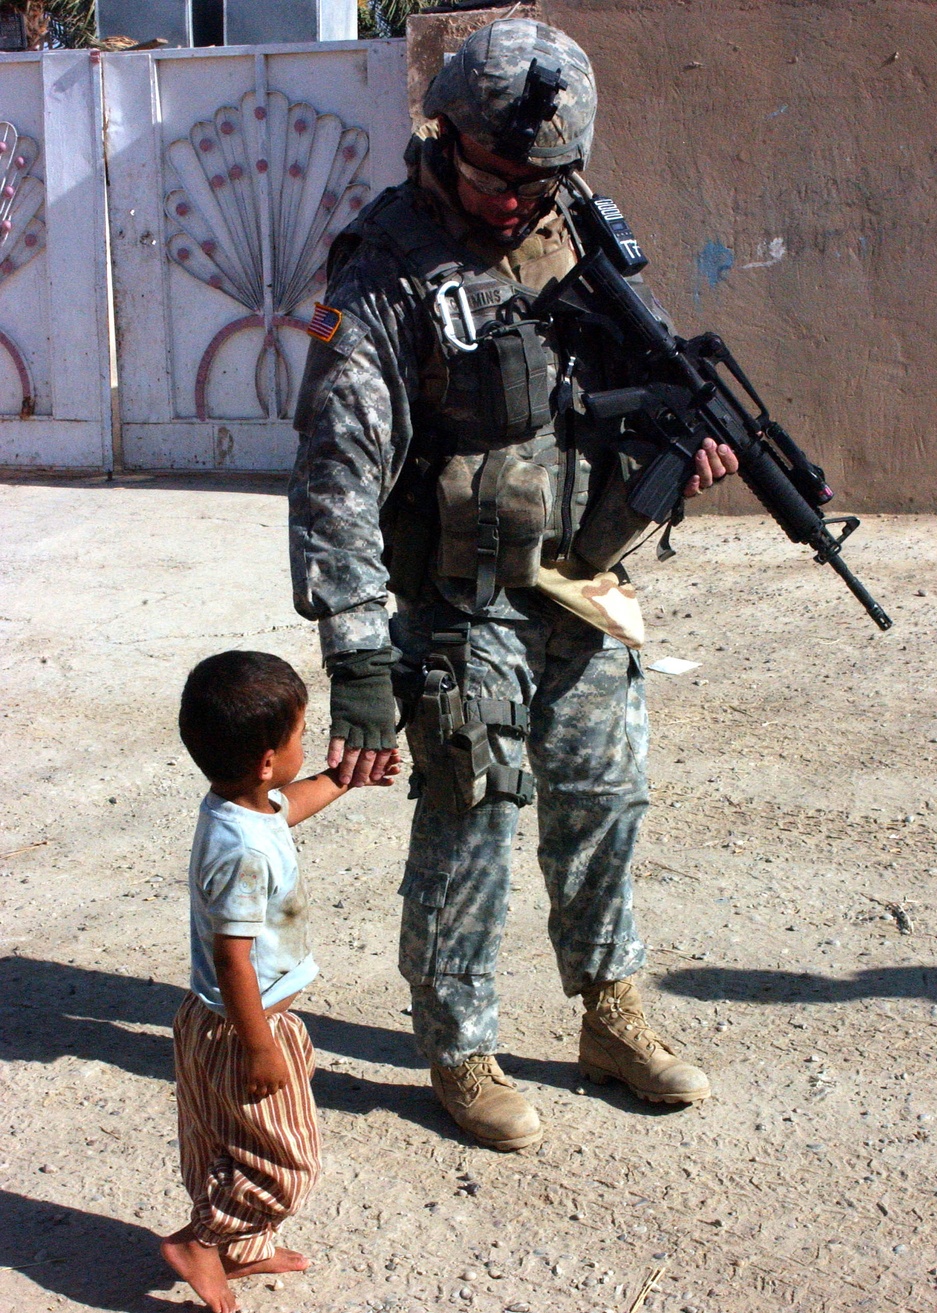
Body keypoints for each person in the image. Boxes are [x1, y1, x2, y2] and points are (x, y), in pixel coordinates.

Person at [288, 19, 737, 1153]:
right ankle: (459, 1044)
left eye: (538, 179)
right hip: (453, 596)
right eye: (496, 175)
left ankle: (608, 1012)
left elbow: (622, 385)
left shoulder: (572, 233)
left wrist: (683, 452)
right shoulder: (384, 268)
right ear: (444, 139)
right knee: (473, 812)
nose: (513, 201)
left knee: (603, 799)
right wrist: (356, 655)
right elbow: (337, 471)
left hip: (576, 578)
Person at [161, 650, 399, 1313]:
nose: (305, 744)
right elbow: (233, 956)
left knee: (220, 1144)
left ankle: (238, 1244)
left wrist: (344, 780)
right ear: (268, 758)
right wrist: (260, 1042)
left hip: (209, 1020)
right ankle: (203, 1240)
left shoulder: (239, 805)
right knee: (284, 1162)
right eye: (300, 734)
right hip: (246, 1026)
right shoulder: (240, 851)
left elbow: (286, 806)